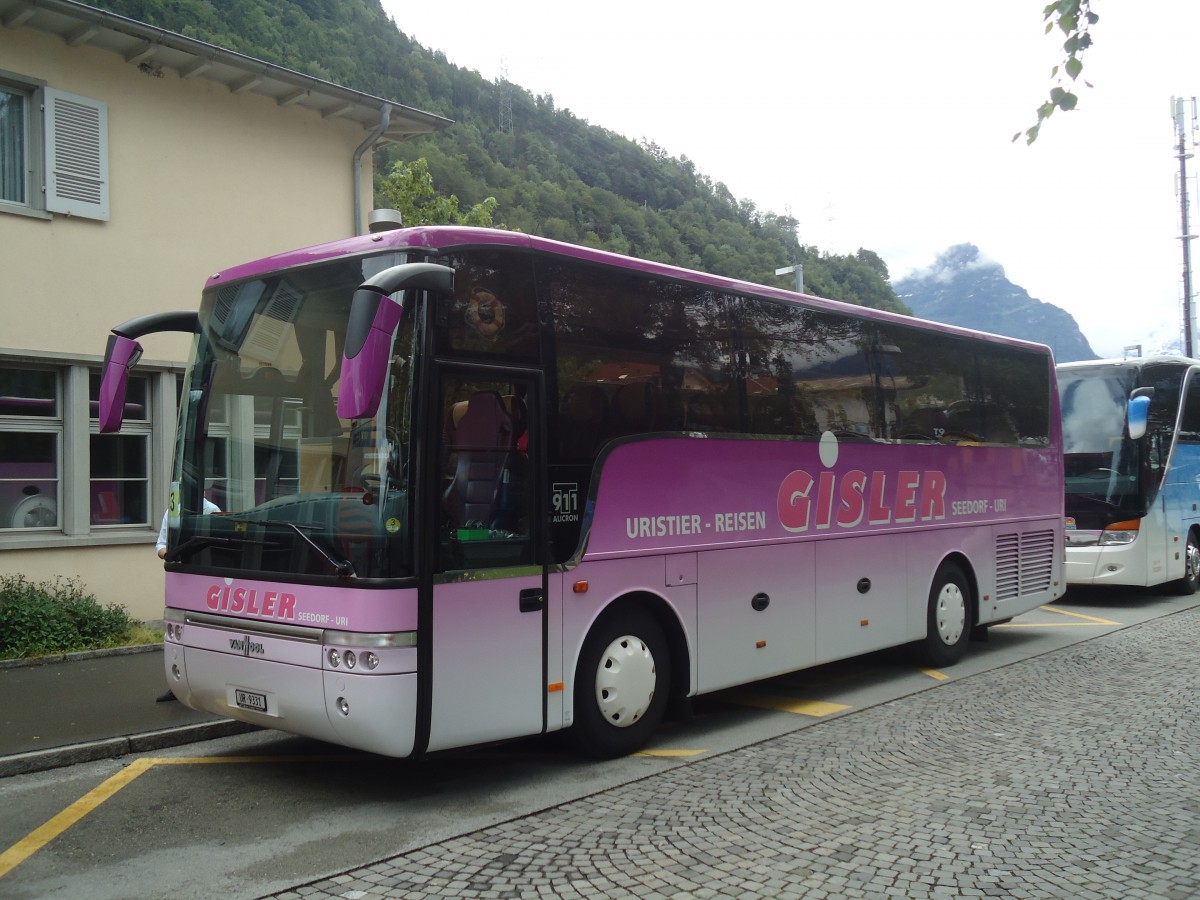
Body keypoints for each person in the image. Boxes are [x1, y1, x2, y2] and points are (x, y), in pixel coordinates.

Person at [154, 495, 218, 700]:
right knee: (179, 634)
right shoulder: (173, 512)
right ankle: (178, 685)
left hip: (204, 581)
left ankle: (208, 685)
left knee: (205, 634)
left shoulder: (211, 510)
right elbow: (160, 545)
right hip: (180, 580)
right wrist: (169, 554)